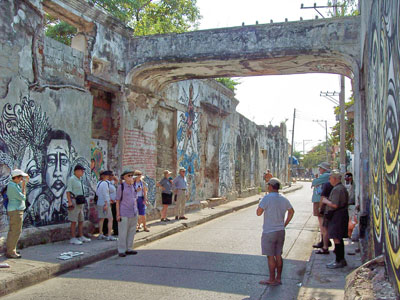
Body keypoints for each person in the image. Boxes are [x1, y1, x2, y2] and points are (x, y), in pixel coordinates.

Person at [257, 178, 295, 286]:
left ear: (270, 186)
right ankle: (278, 278)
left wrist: (260, 203)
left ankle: (271, 279)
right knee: (278, 255)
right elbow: (291, 212)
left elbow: (258, 213)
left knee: (270, 256)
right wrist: (285, 224)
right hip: (280, 231)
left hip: (269, 231)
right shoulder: (283, 198)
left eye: (268, 185)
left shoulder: (266, 198)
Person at [320, 170, 349, 268]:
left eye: (330, 178)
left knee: (337, 238)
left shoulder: (338, 189)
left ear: (335, 179)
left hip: (337, 216)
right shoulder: (339, 188)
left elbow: (335, 205)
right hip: (339, 215)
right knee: (337, 238)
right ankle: (339, 259)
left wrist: (326, 201)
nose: (329, 180)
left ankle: (339, 260)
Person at [5, 169, 30, 259]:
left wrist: (25, 181)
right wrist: (24, 187)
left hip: (15, 210)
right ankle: (11, 251)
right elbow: (22, 197)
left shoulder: (13, 185)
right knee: (15, 231)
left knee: (13, 231)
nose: (21, 180)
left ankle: (11, 249)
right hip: (16, 211)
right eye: (20, 178)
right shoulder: (12, 186)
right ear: (15, 178)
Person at [311, 162, 333, 254]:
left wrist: (316, 181)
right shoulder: (325, 176)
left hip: (320, 201)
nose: (319, 170)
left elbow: (314, 182)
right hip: (319, 200)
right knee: (321, 224)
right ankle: (323, 241)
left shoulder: (326, 175)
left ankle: (325, 244)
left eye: (320, 168)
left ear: (324, 169)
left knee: (322, 224)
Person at [66, 164, 91, 245]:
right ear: (76, 171)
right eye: (81, 170)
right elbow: (68, 191)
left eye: (83, 171)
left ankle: (81, 235)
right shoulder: (72, 179)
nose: (82, 172)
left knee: (81, 220)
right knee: (73, 220)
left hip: (80, 202)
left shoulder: (80, 179)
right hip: (74, 201)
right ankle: (73, 237)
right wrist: (69, 202)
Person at [116, 170, 139, 257]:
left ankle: (129, 248)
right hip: (124, 212)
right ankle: (121, 250)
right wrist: (118, 214)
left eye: (132, 176)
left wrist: (136, 211)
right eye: (129, 176)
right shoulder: (121, 187)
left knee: (131, 231)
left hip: (133, 212)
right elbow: (117, 201)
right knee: (123, 232)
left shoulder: (133, 186)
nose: (131, 177)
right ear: (124, 177)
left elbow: (135, 199)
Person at [96, 171, 117, 241]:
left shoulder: (98, 183)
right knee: (110, 219)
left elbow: (97, 193)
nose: (109, 177)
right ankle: (109, 235)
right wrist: (106, 203)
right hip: (105, 203)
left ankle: (100, 233)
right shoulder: (105, 183)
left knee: (101, 219)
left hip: (99, 202)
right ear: (105, 176)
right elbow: (105, 194)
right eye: (108, 176)